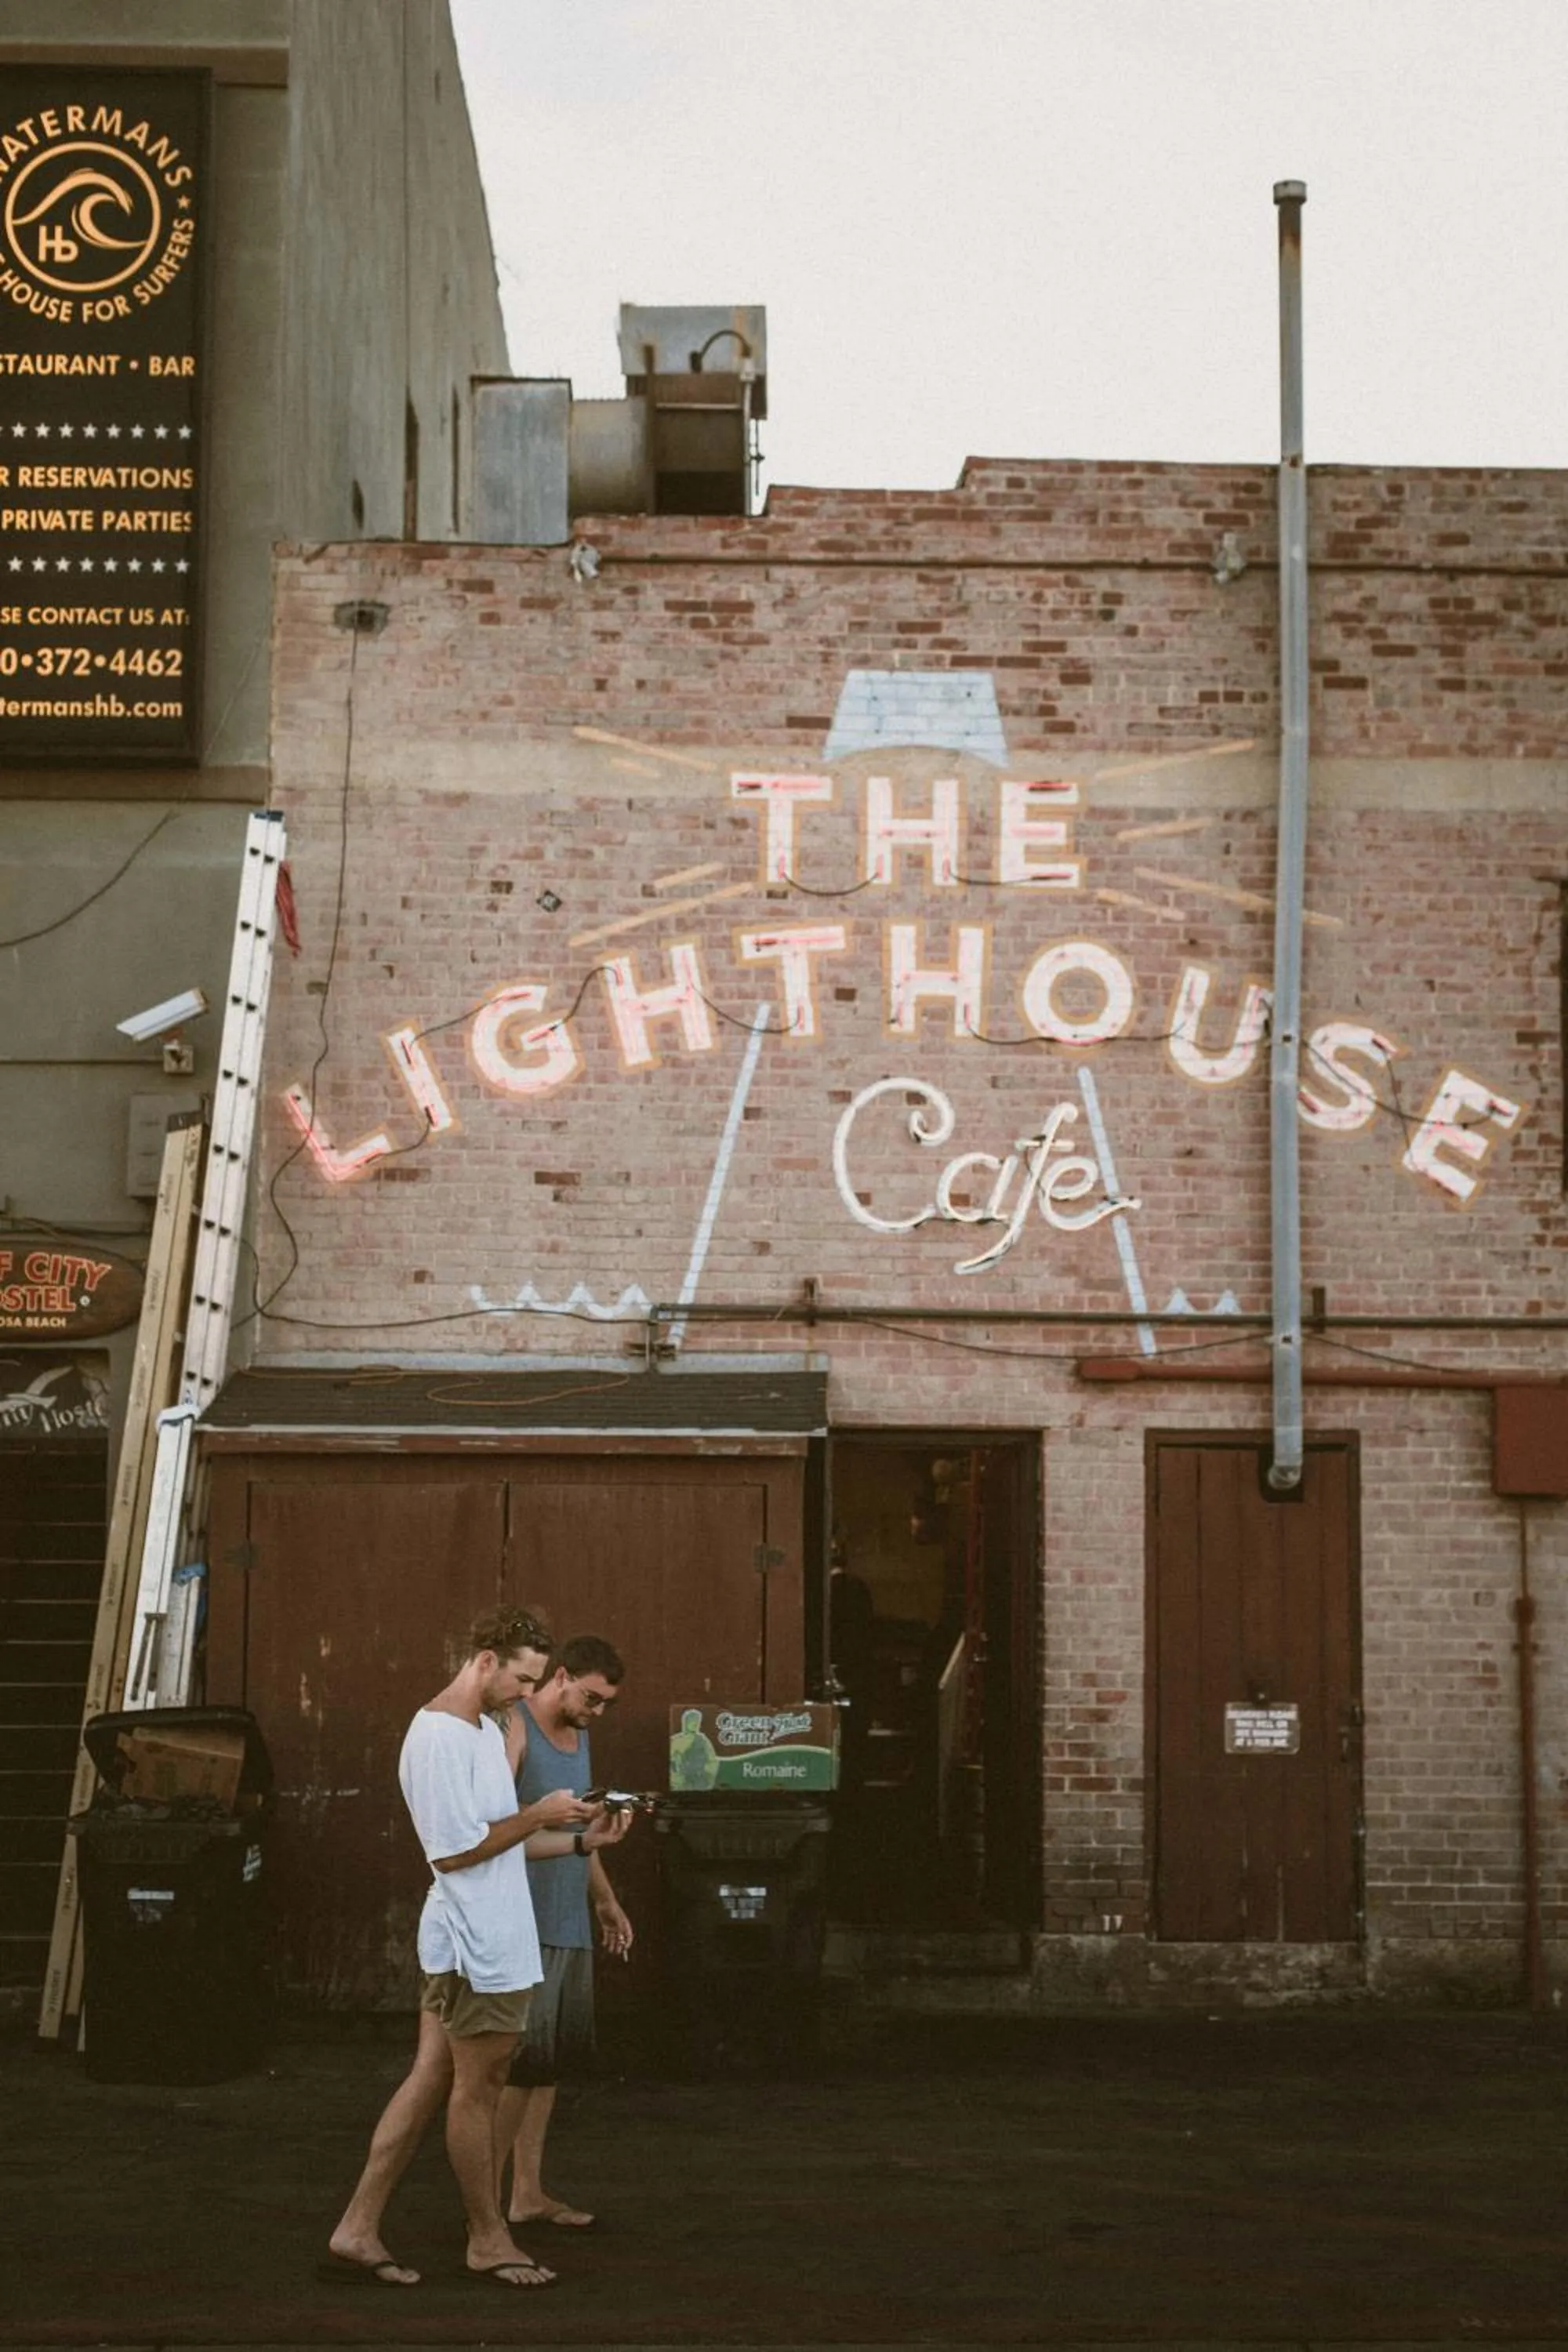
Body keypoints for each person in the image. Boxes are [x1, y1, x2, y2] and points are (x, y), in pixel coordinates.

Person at [321, 1606, 601, 2292]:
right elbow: (454, 1856)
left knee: (430, 2083)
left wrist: (579, 1841)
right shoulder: (440, 1737)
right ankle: (487, 2238)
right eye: (520, 1678)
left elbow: (500, 1845)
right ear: (484, 1660)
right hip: (479, 1943)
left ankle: (356, 2228)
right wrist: (539, 1812)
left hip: (479, 1931)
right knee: (479, 2091)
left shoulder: (483, 1728)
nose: (527, 1695)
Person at [495, 1635, 635, 2233]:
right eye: (591, 1697)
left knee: (546, 2068)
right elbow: (493, 1830)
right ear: (559, 1676)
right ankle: (484, 2205)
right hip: (521, 1919)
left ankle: (526, 2193)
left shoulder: (580, 1737)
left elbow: (585, 1833)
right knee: (513, 2067)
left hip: (568, 1917)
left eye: (605, 1703)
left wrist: (604, 1899)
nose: (596, 1712)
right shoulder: (515, 1726)